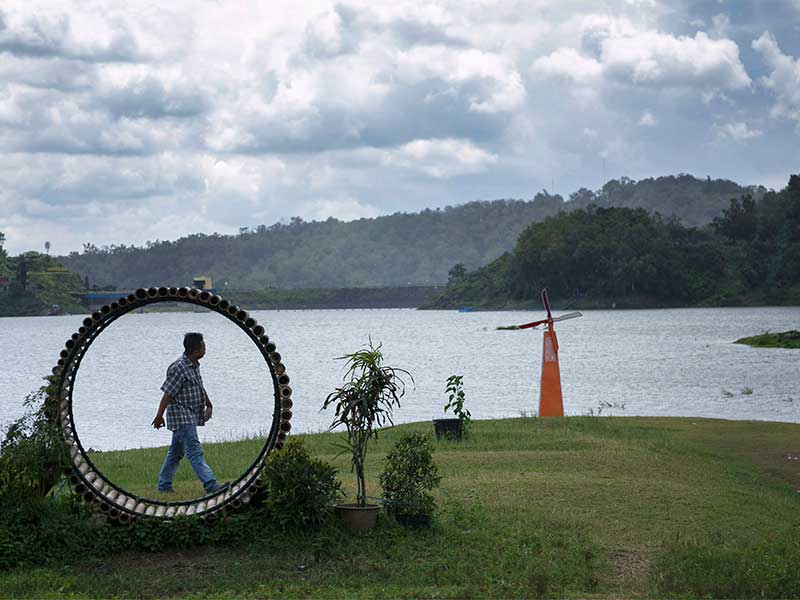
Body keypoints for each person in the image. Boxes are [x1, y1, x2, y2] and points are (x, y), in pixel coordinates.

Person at [152, 332, 228, 494]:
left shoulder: (194, 365)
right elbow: (167, 394)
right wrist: (159, 416)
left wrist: (209, 404)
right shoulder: (178, 368)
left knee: (175, 453)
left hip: (190, 415)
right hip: (182, 416)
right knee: (194, 451)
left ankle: (164, 486)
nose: (205, 349)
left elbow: (199, 386)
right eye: (203, 347)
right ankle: (211, 485)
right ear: (195, 351)